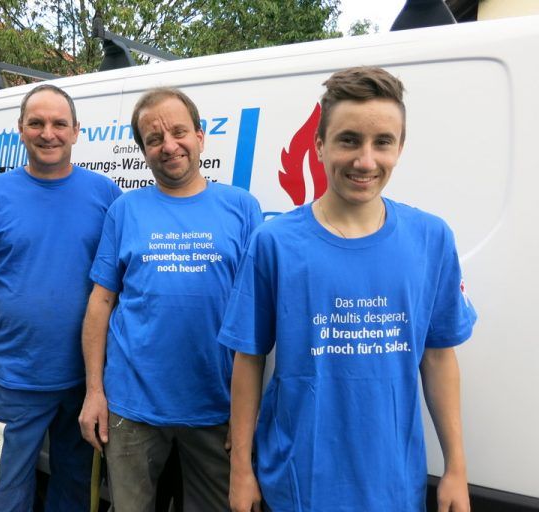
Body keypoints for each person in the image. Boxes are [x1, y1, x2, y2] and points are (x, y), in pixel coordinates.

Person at [220, 66, 477, 512]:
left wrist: (456, 467)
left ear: (400, 147)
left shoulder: (430, 238)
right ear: (319, 144)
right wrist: (241, 470)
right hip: (299, 484)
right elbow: (248, 359)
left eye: (382, 142)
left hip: (394, 487)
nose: (365, 160)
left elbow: (438, 357)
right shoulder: (274, 242)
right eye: (348, 140)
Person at [79, 87, 262, 511]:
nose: (169, 145)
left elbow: (257, 312)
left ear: (200, 136)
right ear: (143, 149)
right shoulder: (125, 210)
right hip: (132, 407)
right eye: (154, 138)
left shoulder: (242, 208)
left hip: (218, 406)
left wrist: (248, 415)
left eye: (179, 131)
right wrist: (94, 392)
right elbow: (100, 303)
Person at [0, 84, 121, 511]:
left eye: (60, 123)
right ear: (20, 130)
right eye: (37, 123)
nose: (49, 133)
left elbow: (120, 286)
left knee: (76, 487)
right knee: (2, 484)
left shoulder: (107, 196)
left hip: (86, 381)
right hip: (13, 380)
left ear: (76, 131)